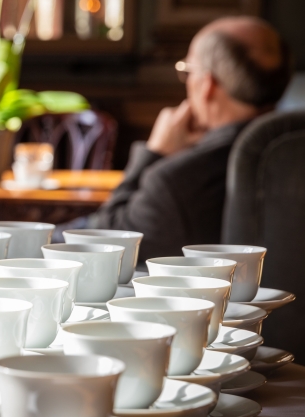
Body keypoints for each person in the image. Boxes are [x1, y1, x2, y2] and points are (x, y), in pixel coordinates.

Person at [86, 16, 292, 261]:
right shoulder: (303, 152)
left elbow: (103, 243)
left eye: (188, 70)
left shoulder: (174, 182)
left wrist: (153, 153)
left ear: (207, 85)